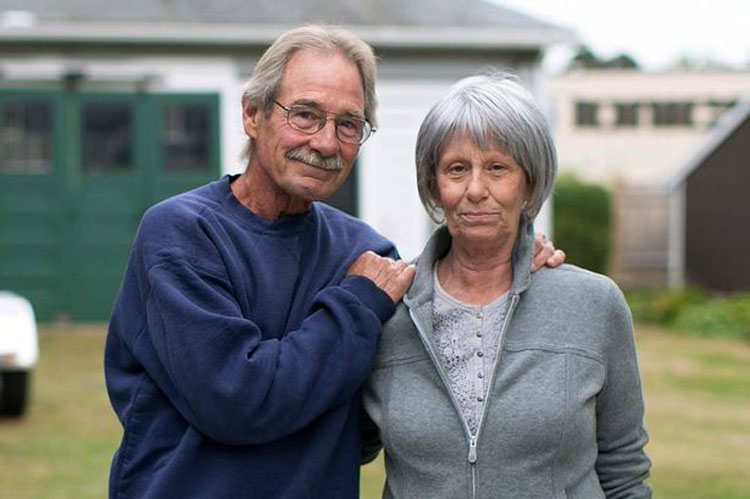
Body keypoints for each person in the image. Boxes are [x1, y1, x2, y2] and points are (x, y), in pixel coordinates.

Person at [104, 25, 563, 499]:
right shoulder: (183, 235)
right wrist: (355, 305)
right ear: (252, 114)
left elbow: (386, 413)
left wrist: (503, 261)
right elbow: (237, 401)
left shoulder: (367, 254)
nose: (326, 143)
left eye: (348, 124)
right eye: (305, 115)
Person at [362, 73, 652, 498]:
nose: (476, 189)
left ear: (529, 181)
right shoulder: (389, 308)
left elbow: (624, 471)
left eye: (498, 168)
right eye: (456, 169)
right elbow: (344, 446)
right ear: (433, 186)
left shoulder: (594, 304)